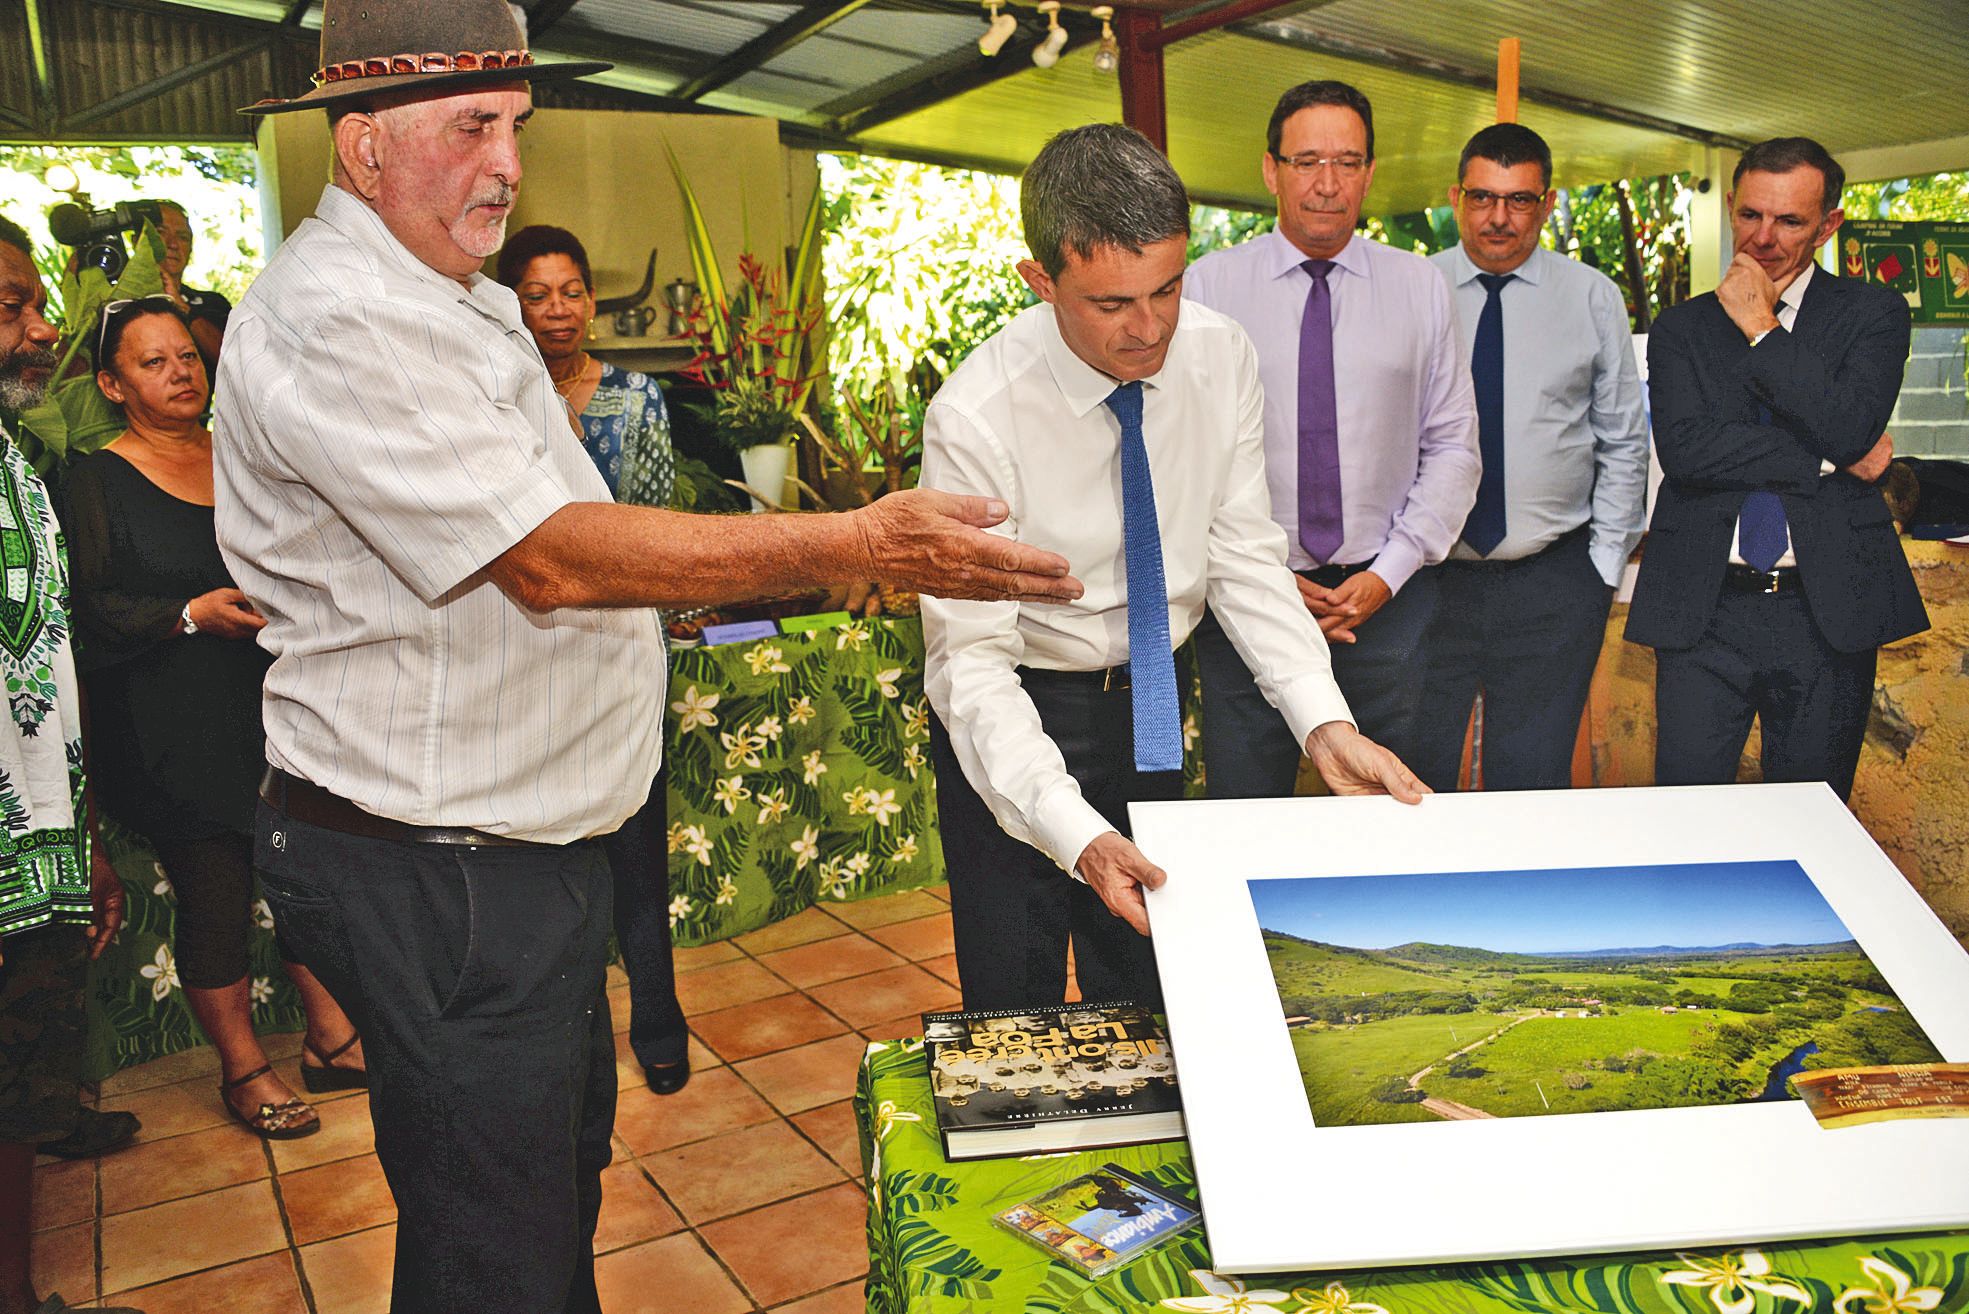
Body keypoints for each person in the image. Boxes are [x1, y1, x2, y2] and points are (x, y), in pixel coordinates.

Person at [217, 3, 1080, 1310]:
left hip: (505, 853)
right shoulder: (346, 321)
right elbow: (550, 559)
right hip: (435, 865)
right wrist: (852, 536)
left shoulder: (448, 296)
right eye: (470, 129)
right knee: (493, 1246)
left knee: (541, 1195)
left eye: (515, 126)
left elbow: (572, 537)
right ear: (361, 148)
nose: (506, 165)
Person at [922, 123, 1425, 1014]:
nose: (1148, 328)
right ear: (1040, 283)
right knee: (1013, 994)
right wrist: (1075, 834)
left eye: (1167, 288)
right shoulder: (974, 417)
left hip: (1154, 696)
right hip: (1017, 708)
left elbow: (1239, 553)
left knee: (1151, 980)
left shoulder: (1219, 354)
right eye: (1111, 303)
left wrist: (1322, 721)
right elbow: (971, 664)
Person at [64, 298, 368, 1140]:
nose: (179, 374)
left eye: (187, 359)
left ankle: (332, 1037)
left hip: (267, 703)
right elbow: (88, 612)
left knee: (306, 859)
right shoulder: (93, 480)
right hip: (163, 723)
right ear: (111, 384)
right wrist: (191, 613)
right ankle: (243, 1069)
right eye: (153, 363)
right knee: (219, 876)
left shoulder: (241, 457)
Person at [1185, 80, 1479, 797]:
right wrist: (1264, 580)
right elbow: (1185, 457)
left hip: (1385, 601)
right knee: (1245, 808)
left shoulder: (1418, 286)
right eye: (1306, 161)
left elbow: (1452, 446)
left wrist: (1388, 572)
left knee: (1389, 806)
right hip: (1247, 598)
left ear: (1369, 173)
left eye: (1347, 162)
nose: (1326, 183)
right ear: (1270, 169)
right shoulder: (1205, 288)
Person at [1626, 137, 1925, 800]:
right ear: (1730, 208)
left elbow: (1851, 423)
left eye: (1788, 221)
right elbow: (1685, 453)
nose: (1762, 237)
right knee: (1686, 820)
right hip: (1702, 610)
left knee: (1813, 820)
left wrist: (1762, 328)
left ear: (1827, 225)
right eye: (1750, 215)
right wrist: (1826, 458)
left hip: (1824, 612)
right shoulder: (1679, 328)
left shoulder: (1871, 314)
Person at [497, 225, 687, 1094]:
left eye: (571, 290)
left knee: (636, 850)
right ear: (510, 304)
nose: (558, 309)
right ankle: (567, 1037)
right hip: (520, 660)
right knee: (547, 866)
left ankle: (658, 1017)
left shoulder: (636, 399)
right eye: (538, 294)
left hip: (619, 655)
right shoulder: (486, 400)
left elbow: (651, 533)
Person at [1410, 124, 1650, 792]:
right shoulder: (1412, 289)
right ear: (1456, 197)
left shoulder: (1590, 297)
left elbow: (1623, 439)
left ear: (1545, 205)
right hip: (1426, 583)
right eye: (1482, 198)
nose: (1497, 218)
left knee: (1533, 782)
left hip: (1552, 585)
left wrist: (1601, 565)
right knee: (1409, 777)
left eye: (1518, 201)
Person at [0, 211, 143, 1314]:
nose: (44, 331)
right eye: (13, 307)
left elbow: (39, 672)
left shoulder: (14, 463)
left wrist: (79, 840)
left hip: (34, 861)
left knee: (18, 1104)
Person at [156, 202, 229, 375]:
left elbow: (232, 363)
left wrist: (180, 305)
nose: (172, 244)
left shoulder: (212, 304)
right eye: (160, 232)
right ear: (138, 240)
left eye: (182, 237)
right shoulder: (116, 300)